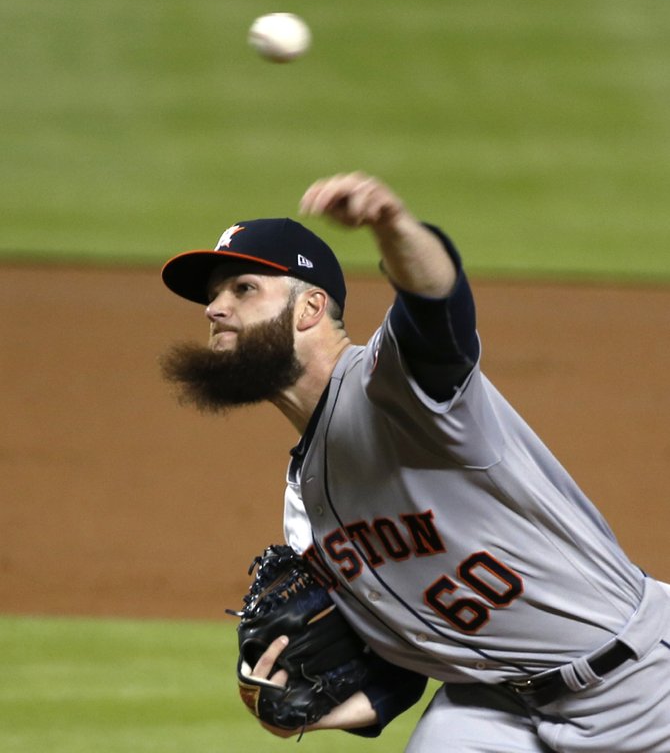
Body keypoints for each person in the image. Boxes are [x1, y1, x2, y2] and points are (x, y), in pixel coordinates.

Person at [160, 172, 670, 751]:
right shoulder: (305, 504)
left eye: (242, 289)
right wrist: (314, 713)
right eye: (212, 297)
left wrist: (393, 227)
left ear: (310, 308)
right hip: (493, 702)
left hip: (639, 682)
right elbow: (399, 652)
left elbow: (437, 310)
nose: (215, 310)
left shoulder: (391, 385)